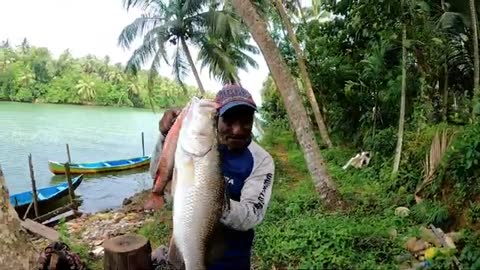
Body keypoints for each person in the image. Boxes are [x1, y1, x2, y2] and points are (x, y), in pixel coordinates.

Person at [149, 84, 275, 269]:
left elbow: (252, 215)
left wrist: (213, 203)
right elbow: (157, 174)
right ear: (217, 120)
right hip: (188, 248)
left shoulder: (261, 160)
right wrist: (165, 136)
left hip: (233, 258)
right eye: (229, 121)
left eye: (245, 121)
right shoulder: (199, 144)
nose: (238, 130)